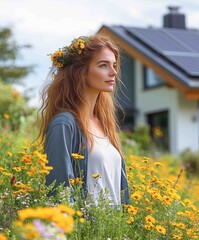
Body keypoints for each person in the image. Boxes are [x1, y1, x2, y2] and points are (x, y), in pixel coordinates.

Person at [38, 34, 130, 206]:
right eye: (103, 65)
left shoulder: (104, 123)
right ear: (80, 72)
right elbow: (60, 195)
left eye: (114, 65)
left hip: (114, 231)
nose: (113, 72)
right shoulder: (64, 125)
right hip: (86, 229)